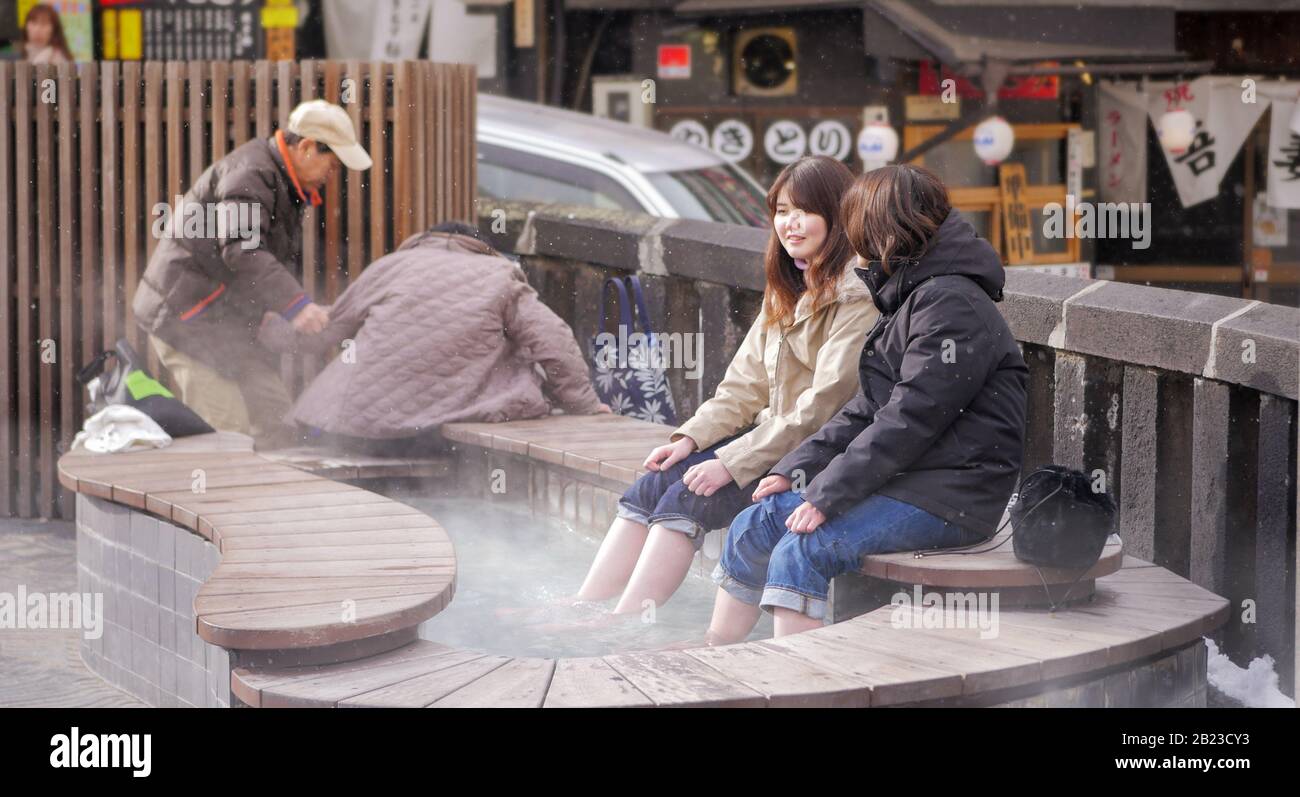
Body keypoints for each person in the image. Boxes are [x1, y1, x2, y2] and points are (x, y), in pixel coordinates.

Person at [705, 164, 1029, 645]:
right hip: (908, 479)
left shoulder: (951, 303)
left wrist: (826, 493)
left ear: (879, 227)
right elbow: (867, 406)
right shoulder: (912, 292)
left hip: (953, 498)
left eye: (852, 219)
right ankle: (719, 655)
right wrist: (797, 466)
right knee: (758, 521)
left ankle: (801, 686)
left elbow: (909, 419)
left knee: (804, 548)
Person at [573, 156, 881, 615]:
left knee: (691, 496)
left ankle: (626, 623)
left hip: (817, 453)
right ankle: (583, 606)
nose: (789, 224)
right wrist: (691, 438)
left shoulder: (859, 296)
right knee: (654, 483)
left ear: (838, 217)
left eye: (804, 211)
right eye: (780, 211)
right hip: (769, 439)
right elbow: (744, 385)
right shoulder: (790, 283)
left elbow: (824, 407)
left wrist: (731, 461)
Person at [132, 99, 372, 446]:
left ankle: (276, 498)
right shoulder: (251, 173)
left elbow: (252, 264)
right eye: (331, 165)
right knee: (229, 435)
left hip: (222, 322)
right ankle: (219, 496)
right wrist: (296, 306)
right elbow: (242, 249)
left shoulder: (280, 181)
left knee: (277, 421)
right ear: (305, 147)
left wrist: (271, 314)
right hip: (184, 316)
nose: (331, 177)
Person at [258, 221, 610, 454]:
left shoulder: (390, 266)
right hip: (429, 435)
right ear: (479, 247)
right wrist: (585, 406)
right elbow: (552, 338)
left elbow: (322, 331)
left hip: (346, 426)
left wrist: (260, 329)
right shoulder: (499, 275)